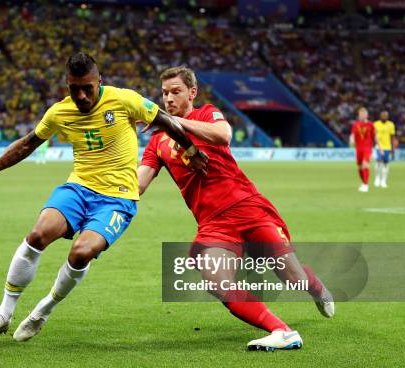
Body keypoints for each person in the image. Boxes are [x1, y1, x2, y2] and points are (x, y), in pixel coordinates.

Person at [0, 53, 208, 342]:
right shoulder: (60, 112)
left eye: (87, 88)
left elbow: (166, 122)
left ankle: (43, 309)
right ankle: (3, 313)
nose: (81, 95)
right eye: (73, 88)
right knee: (38, 234)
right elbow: (27, 144)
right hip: (78, 189)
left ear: (99, 81)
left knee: (81, 252)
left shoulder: (124, 100)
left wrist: (191, 150)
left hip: (117, 199)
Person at [138, 66, 334, 351]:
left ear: (192, 93)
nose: (168, 98)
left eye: (176, 91)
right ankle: (281, 331)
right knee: (215, 280)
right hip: (214, 224)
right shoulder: (156, 142)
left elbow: (223, 135)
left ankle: (314, 285)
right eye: (165, 93)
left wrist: (172, 122)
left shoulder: (205, 113)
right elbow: (138, 184)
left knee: (294, 279)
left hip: (247, 207)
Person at [349, 107, 378, 193]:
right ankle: (363, 183)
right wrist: (351, 140)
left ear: (367, 115)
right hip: (358, 148)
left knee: (365, 164)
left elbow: (375, 136)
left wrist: (379, 147)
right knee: (359, 167)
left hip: (367, 148)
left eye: (364, 114)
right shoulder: (355, 125)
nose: (362, 116)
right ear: (358, 115)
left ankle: (366, 185)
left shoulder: (371, 125)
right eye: (361, 114)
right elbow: (352, 135)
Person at [373, 110, 396, 188]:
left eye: (386, 115)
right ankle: (377, 178)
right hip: (378, 146)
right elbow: (373, 136)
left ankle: (383, 181)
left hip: (387, 147)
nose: (385, 117)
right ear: (380, 116)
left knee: (386, 164)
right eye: (383, 115)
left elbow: (392, 137)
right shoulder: (376, 124)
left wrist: (393, 147)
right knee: (378, 162)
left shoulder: (391, 124)